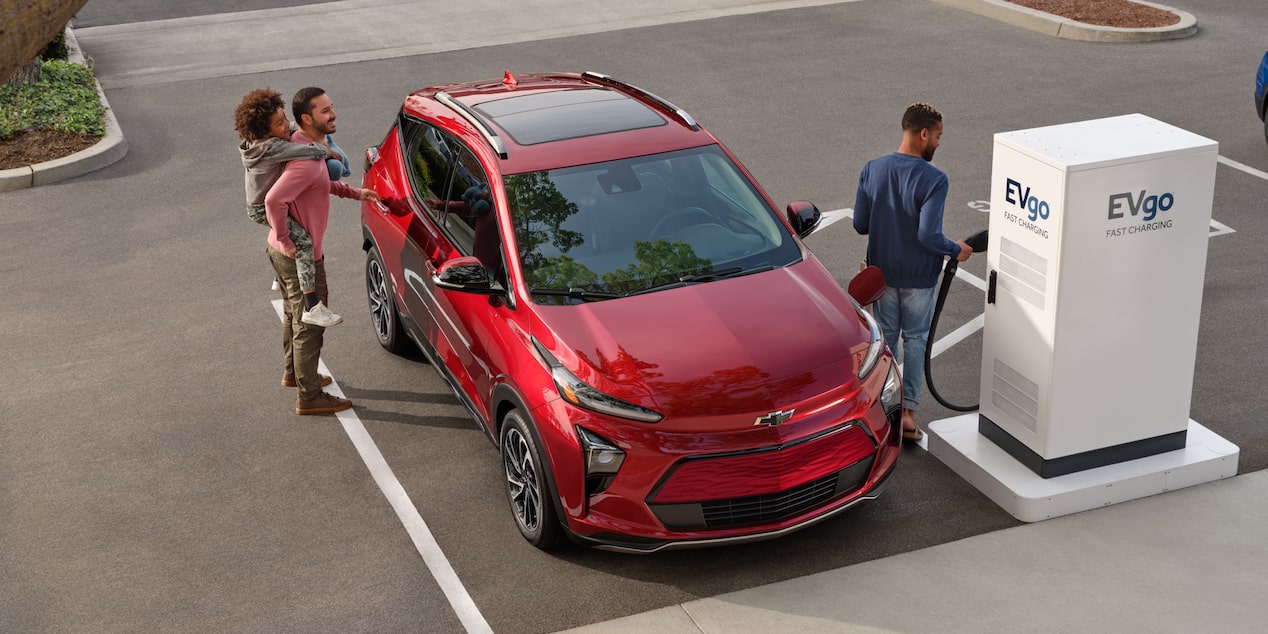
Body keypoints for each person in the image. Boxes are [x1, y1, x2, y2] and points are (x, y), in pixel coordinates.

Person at [853, 102, 972, 441]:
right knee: (916, 341)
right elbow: (928, 236)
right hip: (919, 278)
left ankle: (881, 410)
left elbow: (861, 224)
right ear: (923, 134)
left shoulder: (871, 169)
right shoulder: (934, 179)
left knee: (886, 343)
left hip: (882, 276)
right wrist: (956, 249)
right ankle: (908, 415)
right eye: (937, 136)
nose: (938, 143)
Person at [265, 86, 380, 415]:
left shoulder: (306, 149)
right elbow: (274, 200)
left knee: (292, 314)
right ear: (306, 118)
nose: (333, 114)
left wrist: (354, 193)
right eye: (325, 110)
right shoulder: (304, 160)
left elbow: (319, 184)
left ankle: (295, 374)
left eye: (332, 107)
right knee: (310, 324)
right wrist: (288, 241)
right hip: (298, 255)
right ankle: (310, 396)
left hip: (279, 251)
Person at [234, 87, 344, 327]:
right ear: (266, 132)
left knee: (292, 220)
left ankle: (279, 276)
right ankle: (312, 306)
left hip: (256, 204)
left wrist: (297, 126)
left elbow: (293, 128)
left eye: (285, 119)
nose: (287, 126)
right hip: (262, 208)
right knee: (302, 242)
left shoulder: (257, 141)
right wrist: (329, 152)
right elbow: (307, 150)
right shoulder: (273, 147)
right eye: (279, 123)